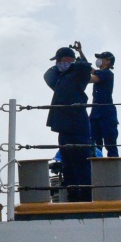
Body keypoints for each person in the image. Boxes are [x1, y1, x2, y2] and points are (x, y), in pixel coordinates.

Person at [44, 44, 93, 202]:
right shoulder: (60, 77)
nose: (59, 64)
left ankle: (85, 197)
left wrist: (77, 58)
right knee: (68, 164)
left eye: (60, 60)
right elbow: (48, 74)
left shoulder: (78, 74)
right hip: (64, 126)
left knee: (81, 162)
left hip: (78, 124)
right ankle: (73, 196)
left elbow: (85, 67)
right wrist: (66, 65)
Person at [90, 51, 119, 157]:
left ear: (108, 61)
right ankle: (97, 165)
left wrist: (80, 75)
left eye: (101, 58)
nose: (98, 60)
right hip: (96, 111)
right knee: (94, 143)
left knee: (109, 143)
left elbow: (92, 76)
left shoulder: (107, 73)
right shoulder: (101, 73)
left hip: (106, 112)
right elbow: (93, 71)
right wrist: (81, 54)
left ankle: (112, 166)